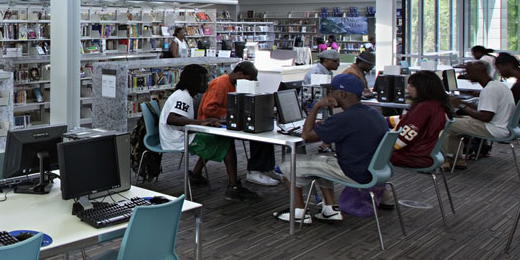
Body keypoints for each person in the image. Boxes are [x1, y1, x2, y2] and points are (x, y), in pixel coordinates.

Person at [277, 73, 387, 224]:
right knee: (323, 160)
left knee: (287, 165)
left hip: (353, 171)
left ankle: (298, 211)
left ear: (341, 94)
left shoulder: (345, 119)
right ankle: (330, 209)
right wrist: (329, 124)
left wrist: (317, 106)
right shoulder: (374, 113)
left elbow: (306, 135)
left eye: (331, 91)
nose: (328, 94)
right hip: (370, 169)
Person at [188, 61, 260, 200]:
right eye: (248, 79)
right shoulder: (221, 83)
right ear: (239, 74)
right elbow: (208, 109)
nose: (248, 82)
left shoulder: (232, 83)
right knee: (227, 143)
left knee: (223, 141)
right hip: (207, 124)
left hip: (218, 122)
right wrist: (232, 112)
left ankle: (196, 174)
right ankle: (233, 186)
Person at [442, 60, 515, 170]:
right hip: (501, 125)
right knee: (455, 120)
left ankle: (444, 160)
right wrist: (462, 102)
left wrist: (461, 106)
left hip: (493, 128)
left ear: (477, 73)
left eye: (469, 72)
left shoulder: (490, 90)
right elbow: (486, 109)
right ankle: (457, 159)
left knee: (446, 123)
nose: (466, 76)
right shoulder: (497, 85)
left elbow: (485, 117)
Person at [385, 70, 451, 169]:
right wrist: (380, 120)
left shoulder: (424, 108)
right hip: (426, 153)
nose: (407, 89)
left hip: (415, 156)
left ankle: (370, 184)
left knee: (368, 152)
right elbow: (406, 119)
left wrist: (382, 149)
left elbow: (402, 140)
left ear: (422, 88)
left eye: (411, 86)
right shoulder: (436, 104)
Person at [159, 64, 211, 155]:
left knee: (215, 140)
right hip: (176, 140)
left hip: (176, 136)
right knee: (221, 143)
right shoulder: (184, 96)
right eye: (204, 82)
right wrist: (200, 123)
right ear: (194, 82)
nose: (207, 85)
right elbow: (171, 119)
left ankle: (197, 170)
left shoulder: (184, 94)